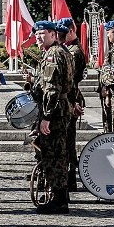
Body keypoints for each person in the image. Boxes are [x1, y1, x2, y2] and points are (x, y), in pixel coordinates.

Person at [31, 20, 72, 214]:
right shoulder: (61, 51)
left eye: (43, 34)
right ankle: (60, 195)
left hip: (54, 112)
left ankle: (59, 200)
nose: (38, 37)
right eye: (37, 34)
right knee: (59, 153)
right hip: (61, 109)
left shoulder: (53, 55)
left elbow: (52, 89)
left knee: (54, 155)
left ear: (53, 35)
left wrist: (46, 116)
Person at [58, 17, 87, 191]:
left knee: (68, 140)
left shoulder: (74, 51)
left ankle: (70, 178)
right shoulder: (69, 49)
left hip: (71, 98)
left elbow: (71, 80)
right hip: (70, 97)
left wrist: (75, 100)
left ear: (71, 31)